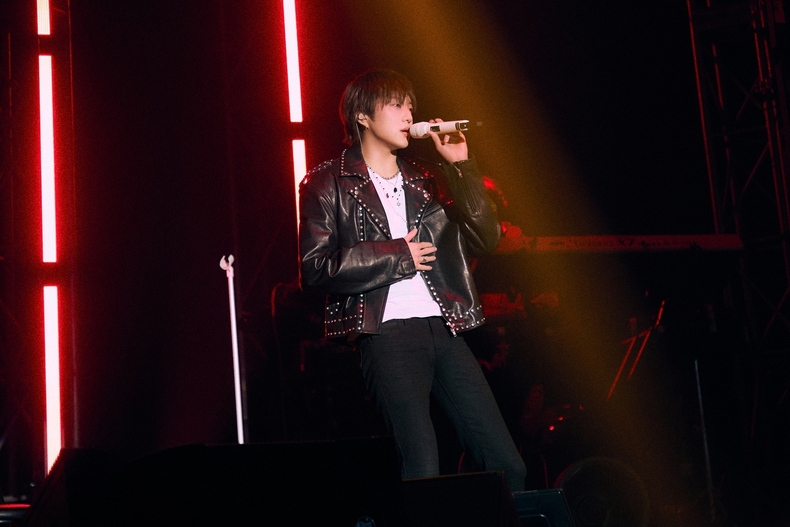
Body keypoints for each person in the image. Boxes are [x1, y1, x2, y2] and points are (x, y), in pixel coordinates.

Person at [298, 69, 526, 491]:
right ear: (362, 116)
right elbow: (315, 268)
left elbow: (486, 238)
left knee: (506, 466)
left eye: (410, 107)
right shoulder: (328, 181)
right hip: (387, 335)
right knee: (422, 467)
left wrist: (462, 166)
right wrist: (397, 255)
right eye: (396, 105)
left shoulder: (428, 178)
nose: (408, 115)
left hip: (445, 329)